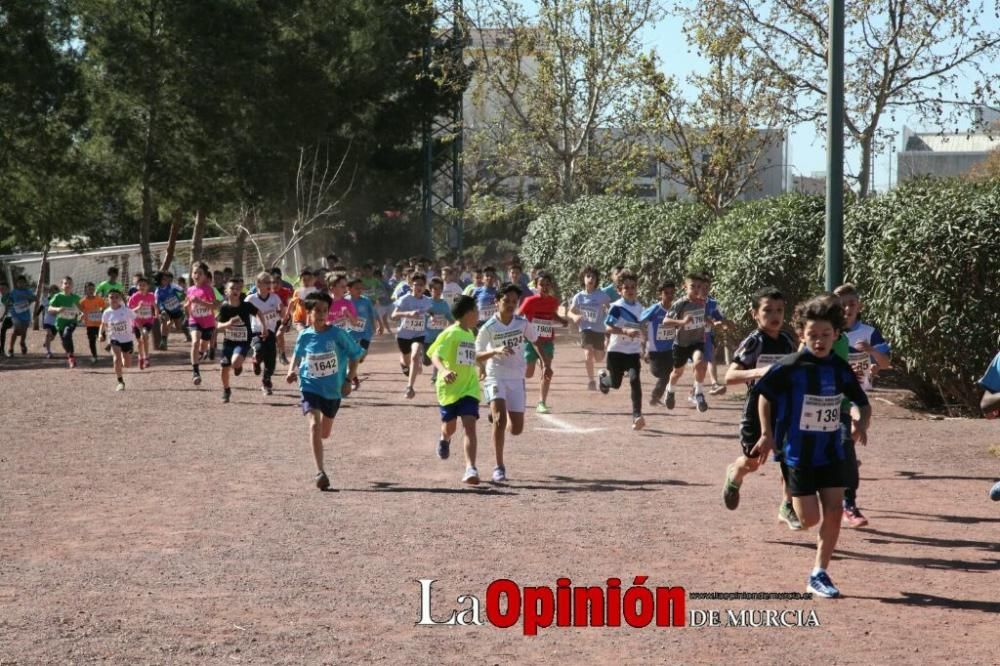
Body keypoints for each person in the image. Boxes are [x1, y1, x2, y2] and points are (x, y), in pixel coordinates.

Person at [751, 295, 870, 598]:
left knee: (832, 511)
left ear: (836, 335)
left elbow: (860, 401)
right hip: (798, 455)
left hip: (831, 452)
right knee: (810, 520)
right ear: (802, 334)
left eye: (825, 335)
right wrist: (766, 434)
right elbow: (764, 396)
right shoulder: (790, 366)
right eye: (812, 335)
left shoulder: (840, 368)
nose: (819, 341)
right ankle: (787, 503)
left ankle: (819, 572)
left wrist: (861, 422)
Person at [720, 287, 799, 524]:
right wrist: (762, 372)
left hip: (785, 409)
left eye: (779, 310)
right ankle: (734, 474)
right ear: (755, 313)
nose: (774, 315)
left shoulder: (786, 341)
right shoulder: (754, 342)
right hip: (756, 409)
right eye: (767, 310)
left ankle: (787, 505)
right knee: (752, 463)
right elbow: (730, 376)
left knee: (791, 459)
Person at [286, 291, 363, 490]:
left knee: (325, 433)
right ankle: (320, 471)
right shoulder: (304, 335)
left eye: (325, 311)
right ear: (308, 313)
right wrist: (291, 370)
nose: (321, 314)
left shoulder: (337, 334)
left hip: (333, 390)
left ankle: (319, 444)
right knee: (314, 424)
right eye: (317, 311)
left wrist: (348, 379)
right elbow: (297, 354)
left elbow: (356, 355)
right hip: (309, 385)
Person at [833, 283, 892, 528]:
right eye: (842, 304)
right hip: (830, 398)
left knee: (855, 430)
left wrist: (870, 352)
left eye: (852, 304)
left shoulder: (868, 332)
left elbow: (886, 363)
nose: (847, 308)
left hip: (856, 397)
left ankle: (848, 494)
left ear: (859, 306)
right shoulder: (827, 332)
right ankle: (845, 461)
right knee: (843, 444)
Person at [476, 283, 548, 482]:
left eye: (514, 302)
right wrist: (495, 351)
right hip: (495, 375)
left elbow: (536, 341)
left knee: (516, 429)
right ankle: (499, 466)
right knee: (499, 421)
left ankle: (498, 413)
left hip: (517, 378)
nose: (510, 305)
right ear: (496, 301)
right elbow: (476, 354)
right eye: (506, 301)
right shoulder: (488, 327)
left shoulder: (522, 323)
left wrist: (545, 364)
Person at [428, 295, 483, 485]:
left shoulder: (470, 333)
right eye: (476, 310)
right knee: (450, 427)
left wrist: (481, 366)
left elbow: (470, 356)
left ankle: (470, 468)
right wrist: (444, 371)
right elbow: (435, 355)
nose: (478, 314)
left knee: (470, 426)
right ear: (468, 313)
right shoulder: (451, 333)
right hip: (449, 388)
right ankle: (444, 437)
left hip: (469, 388)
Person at [664, 273, 725, 412]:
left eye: (699, 286)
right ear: (684, 286)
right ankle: (670, 390)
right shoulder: (680, 304)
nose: (697, 289)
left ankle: (699, 393)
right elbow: (666, 321)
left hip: (697, 341)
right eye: (693, 286)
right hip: (681, 344)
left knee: (700, 363)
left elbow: (702, 316)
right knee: (677, 373)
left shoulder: (701, 302)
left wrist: (712, 322)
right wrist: (682, 322)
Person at [597, 271, 646, 430]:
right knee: (616, 384)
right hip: (616, 351)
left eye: (633, 287)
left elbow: (643, 328)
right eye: (626, 287)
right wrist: (625, 331)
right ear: (619, 290)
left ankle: (637, 415)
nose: (630, 290)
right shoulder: (617, 307)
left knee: (634, 380)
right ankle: (604, 379)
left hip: (632, 352)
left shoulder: (640, 308)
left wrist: (645, 348)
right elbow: (608, 327)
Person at [517, 271, 566, 414]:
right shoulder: (530, 301)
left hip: (546, 341)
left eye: (547, 284)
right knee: (528, 373)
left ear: (550, 286)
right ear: (536, 285)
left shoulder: (553, 301)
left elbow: (551, 314)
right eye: (541, 284)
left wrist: (561, 320)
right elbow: (518, 316)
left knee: (547, 370)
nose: (544, 287)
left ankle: (541, 402)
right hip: (530, 342)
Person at [639, 281, 692, 405]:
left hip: (670, 349)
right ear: (660, 295)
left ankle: (657, 396)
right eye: (666, 293)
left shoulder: (676, 309)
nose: (669, 295)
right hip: (655, 350)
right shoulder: (655, 309)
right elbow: (640, 322)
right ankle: (658, 395)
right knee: (658, 373)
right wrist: (644, 339)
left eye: (672, 293)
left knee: (668, 374)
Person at [568, 267, 612, 391]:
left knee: (598, 358)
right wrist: (575, 316)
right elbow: (569, 312)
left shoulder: (602, 295)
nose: (591, 279)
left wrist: (609, 313)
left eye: (593, 277)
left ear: (596, 279)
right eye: (588, 276)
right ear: (583, 279)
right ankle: (591, 381)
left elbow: (612, 309)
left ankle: (604, 347)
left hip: (599, 329)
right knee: (588, 355)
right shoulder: (578, 297)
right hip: (585, 328)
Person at [392, 272, 434, 397]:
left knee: (415, 356)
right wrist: (407, 314)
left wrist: (432, 317)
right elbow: (393, 316)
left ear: (424, 286)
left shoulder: (427, 301)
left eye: (421, 285)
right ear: (411, 285)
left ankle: (409, 387)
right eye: (416, 285)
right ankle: (403, 363)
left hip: (419, 334)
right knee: (407, 360)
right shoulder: (405, 299)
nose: (419, 287)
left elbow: (430, 311)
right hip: (403, 335)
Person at [217, 279, 257, 403]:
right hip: (228, 342)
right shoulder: (224, 307)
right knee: (224, 368)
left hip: (243, 341)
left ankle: (237, 365)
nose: (235, 291)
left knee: (234, 363)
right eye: (232, 288)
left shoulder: (245, 306)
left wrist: (264, 327)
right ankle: (226, 390)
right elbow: (218, 326)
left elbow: (258, 312)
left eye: (238, 289)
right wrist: (228, 324)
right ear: (226, 292)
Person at [246, 271, 285, 396]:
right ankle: (256, 360)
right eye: (267, 282)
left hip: (271, 332)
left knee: (271, 362)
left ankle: (266, 381)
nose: (270, 284)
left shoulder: (275, 298)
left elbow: (282, 313)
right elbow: (241, 311)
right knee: (259, 348)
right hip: (256, 332)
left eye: (271, 282)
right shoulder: (251, 298)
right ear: (258, 284)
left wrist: (281, 313)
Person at [185, 262, 219, 386]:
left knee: (203, 345)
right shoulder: (189, 290)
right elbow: (188, 304)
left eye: (200, 273)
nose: (197, 275)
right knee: (195, 342)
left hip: (208, 323)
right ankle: (195, 372)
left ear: (205, 276)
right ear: (191, 275)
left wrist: (200, 301)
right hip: (195, 321)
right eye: (195, 273)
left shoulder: (209, 289)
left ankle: (201, 353)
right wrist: (187, 307)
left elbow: (215, 306)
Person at [99, 289, 137, 391]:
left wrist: (138, 331)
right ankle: (120, 382)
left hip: (127, 339)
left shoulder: (126, 310)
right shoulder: (107, 312)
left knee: (127, 365)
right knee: (116, 359)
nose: (114, 299)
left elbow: (135, 319)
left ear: (120, 299)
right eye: (111, 297)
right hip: (114, 338)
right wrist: (100, 334)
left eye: (116, 297)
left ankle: (127, 354)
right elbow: (103, 324)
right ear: (107, 299)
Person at [424, 277, 455, 383]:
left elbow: (450, 318)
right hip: (426, 337)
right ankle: (421, 356)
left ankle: (435, 377)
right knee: (426, 361)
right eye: (435, 289)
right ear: (430, 289)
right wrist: (431, 314)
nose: (437, 291)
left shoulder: (444, 304)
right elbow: (423, 311)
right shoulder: (426, 301)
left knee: (437, 356)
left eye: (440, 289)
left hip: (439, 336)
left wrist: (456, 326)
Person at [347, 278, 377, 385]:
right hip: (350, 333)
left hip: (366, 333)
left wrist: (377, 326)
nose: (360, 290)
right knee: (351, 356)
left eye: (361, 288)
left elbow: (372, 314)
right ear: (349, 289)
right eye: (356, 288)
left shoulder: (366, 301)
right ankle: (351, 375)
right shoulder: (345, 301)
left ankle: (353, 368)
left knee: (362, 355)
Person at [48, 276, 82, 368]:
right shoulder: (57, 297)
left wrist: (81, 314)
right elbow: (49, 309)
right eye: (65, 283)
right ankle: (70, 355)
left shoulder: (75, 298)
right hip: (60, 323)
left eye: (70, 283)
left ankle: (71, 358)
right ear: (62, 286)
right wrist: (57, 309)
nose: (67, 285)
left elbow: (81, 309)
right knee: (65, 340)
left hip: (72, 321)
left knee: (67, 334)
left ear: (72, 286)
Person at [127, 276, 157, 369]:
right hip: (137, 322)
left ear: (148, 286)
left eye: (144, 285)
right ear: (136, 287)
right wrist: (138, 308)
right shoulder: (134, 297)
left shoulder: (151, 295)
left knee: (145, 334)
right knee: (139, 342)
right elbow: (129, 311)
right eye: (140, 285)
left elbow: (154, 305)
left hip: (148, 320)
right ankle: (140, 357)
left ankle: (146, 357)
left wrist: (156, 313)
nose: (142, 287)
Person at [4, 275, 36, 356]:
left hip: (25, 315)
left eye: (23, 282)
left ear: (25, 283)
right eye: (19, 283)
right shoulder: (14, 291)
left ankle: (22, 342)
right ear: (16, 283)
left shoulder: (28, 291)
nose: (21, 284)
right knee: (16, 330)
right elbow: (9, 300)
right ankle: (11, 349)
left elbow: (34, 298)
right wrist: (8, 303)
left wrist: (27, 297)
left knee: (23, 331)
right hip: (15, 314)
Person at [155, 272, 188, 350]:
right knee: (164, 319)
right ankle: (163, 340)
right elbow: (157, 304)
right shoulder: (158, 292)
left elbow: (183, 292)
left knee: (178, 328)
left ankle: (170, 326)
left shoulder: (172, 286)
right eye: (164, 279)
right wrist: (159, 312)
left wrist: (182, 298)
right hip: (166, 310)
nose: (167, 280)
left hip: (176, 309)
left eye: (167, 278)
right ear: (159, 280)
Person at [79, 282, 106, 364]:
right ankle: (94, 356)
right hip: (89, 324)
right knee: (91, 341)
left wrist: (102, 311)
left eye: (93, 289)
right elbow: (81, 311)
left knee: (103, 338)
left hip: (99, 324)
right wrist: (81, 316)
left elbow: (104, 306)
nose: (91, 291)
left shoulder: (98, 299)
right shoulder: (82, 301)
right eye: (89, 289)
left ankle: (108, 344)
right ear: (85, 290)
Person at [39, 285, 59, 358]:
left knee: (52, 337)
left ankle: (46, 343)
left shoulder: (60, 300)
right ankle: (48, 352)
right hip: (47, 320)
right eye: (51, 292)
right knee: (49, 334)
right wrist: (36, 315)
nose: (53, 293)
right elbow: (42, 306)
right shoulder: (47, 299)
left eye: (55, 291)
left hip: (56, 322)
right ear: (49, 293)